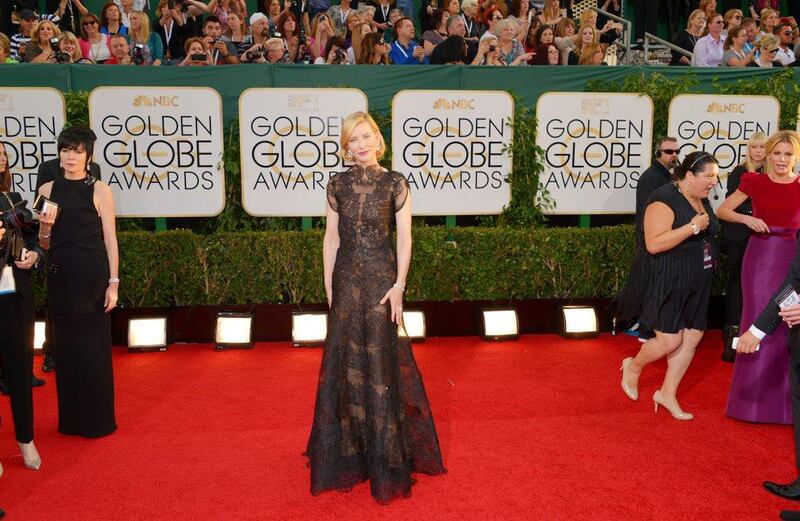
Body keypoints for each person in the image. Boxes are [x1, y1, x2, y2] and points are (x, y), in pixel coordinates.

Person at [306, 111, 445, 504]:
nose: (362, 145)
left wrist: (399, 285)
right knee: (344, 361)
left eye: (366, 137)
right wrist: (329, 286)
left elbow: (405, 238)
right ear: (346, 146)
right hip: (346, 280)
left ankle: (385, 454)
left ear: (378, 139)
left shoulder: (395, 184)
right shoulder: (337, 185)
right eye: (354, 140)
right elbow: (330, 240)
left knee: (381, 363)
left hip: (383, 281)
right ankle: (350, 451)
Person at [619, 151, 720, 421]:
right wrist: (693, 227)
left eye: (716, 176)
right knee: (669, 339)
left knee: (692, 337)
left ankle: (667, 393)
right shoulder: (664, 199)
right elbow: (654, 243)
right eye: (709, 176)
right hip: (670, 279)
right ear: (689, 176)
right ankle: (633, 365)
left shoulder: (699, 197)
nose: (714, 181)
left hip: (698, 280)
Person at [36, 126, 118, 439]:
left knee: (93, 349)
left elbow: (110, 240)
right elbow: (44, 243)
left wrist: (114, 282)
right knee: (67, 350)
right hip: (60, 275)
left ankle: (98, 421)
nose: (71, 157)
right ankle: (71, 421)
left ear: (88, 156)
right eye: (66, 150)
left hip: (93, 278)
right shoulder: (46, 190)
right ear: (59, 154)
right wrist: (44, 228)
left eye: (78, 151)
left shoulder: (100, 190)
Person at [719, 130, 800, 425]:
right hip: (761, 259)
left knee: (789, 321)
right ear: (767, 155)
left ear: (796, 156)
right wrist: (747, 218)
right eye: (777, 153)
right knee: (758, 319)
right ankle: (750, 404)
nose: (782, 159)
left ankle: (788, 406)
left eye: (788, 154)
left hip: (793, 258)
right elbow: (723, 209)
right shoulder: (754, 182)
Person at [0, 141, 43, 472]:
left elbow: (31, 239)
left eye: (2, 155)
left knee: (20, 370)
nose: (1, 159)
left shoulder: (14, 201)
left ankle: (25, 439)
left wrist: (33, 255)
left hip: (16, 296)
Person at [615, 137, 680, 343]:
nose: (674, 155)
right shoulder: (652, 177)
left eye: (676, 151)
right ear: (657, 153)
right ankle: (641, 325)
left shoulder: (663, 176)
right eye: (669, 151)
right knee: (647, 283)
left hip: (656, 239)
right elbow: (650, 212)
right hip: (652, 240)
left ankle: (640, 324)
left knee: (646, 282)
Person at [719, 132, 766, 362]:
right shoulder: (740, 172)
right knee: (736, 284)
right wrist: (753, 215)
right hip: (738, 237)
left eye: (762, 147)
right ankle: (731, 336)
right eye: (754, 147)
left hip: (761, 239)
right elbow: (731, 206)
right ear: (749, 150)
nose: (758, 151)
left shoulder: (770, 174)